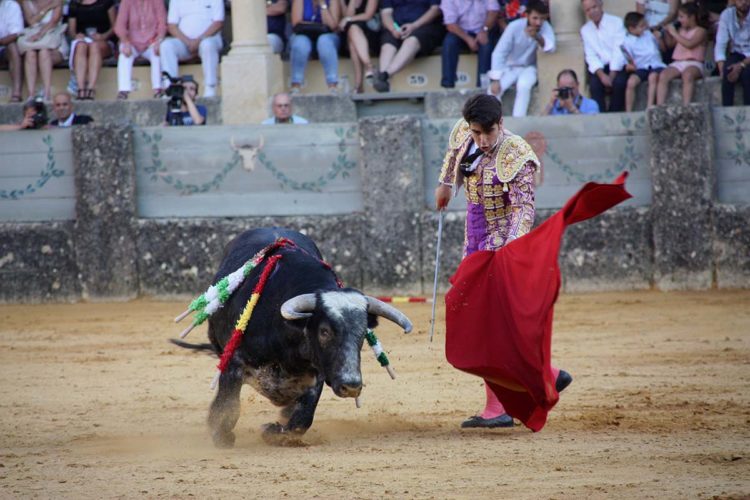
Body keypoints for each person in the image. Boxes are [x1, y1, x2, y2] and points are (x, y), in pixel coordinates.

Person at [434, 94, 571, 428]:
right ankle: (543, 377)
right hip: (474, 237)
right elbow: (450, 173)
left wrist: (510, 250)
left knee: (493, 324)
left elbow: (523, 208)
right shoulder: (464, 134)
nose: (481, 140)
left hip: (500, 243)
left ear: (502, 124)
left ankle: (515, 395)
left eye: (488, 133)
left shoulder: (518, 154)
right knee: (477, 320)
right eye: (476, 132)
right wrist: (445, 186)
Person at [487, 0, 555, 117]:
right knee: (492, 91)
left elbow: (551, 47)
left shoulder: (545, 27)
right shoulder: (514, 27)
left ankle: (518, 122)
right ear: (527, 15)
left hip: (530, 68)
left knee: (524, 85)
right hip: (509, 67)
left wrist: (537, 37)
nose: (538, 22)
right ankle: (494, 124)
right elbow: (499, 52)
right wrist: (496, 79)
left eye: (542, 19)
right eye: (535, 18)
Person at [372, 0, 445, 92]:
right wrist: (393, 29)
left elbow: (435, 10)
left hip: (425, 26)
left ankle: (385, 75)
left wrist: (414, 25)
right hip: (397, 28)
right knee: (387, 45)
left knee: (411, 41)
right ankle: (382, 82)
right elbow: (386, 13)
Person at [160, 0, 224, 98]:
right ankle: (170, 88)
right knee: (166, 46)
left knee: (207, 45)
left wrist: (199, 40)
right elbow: (172, 26)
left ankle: (210, 88)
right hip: (185, 42)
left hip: (209, 39)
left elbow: (218, 23)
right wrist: (187, 42)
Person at [580, 0, 628, 112]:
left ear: (601, 4)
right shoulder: (585, 30)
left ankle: (614, 114)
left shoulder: (616, 22)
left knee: (619, 83)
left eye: (594, 7)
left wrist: (611, 75)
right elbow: (590, 56)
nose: (592, 12)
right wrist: (602, 75)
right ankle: (599, 116)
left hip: (618, 66)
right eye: (588, 10)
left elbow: (619, 51)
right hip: (600, 68)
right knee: (594, 85)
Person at [656, 2, 708, 106]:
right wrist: (666, 33)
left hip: (694, 63)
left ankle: (686, 106)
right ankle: (659, 106)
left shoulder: (701, 31)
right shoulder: (681, 30)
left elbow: (689, 44)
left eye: (682, 17)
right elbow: (670, 44)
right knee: (663, 75)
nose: (679, 20)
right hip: (678, 62)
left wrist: (674, 33)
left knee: (687, 75)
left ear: (692, 17)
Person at [612, 11, 665, 111]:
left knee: (653, 77)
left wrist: (659, 39)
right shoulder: (627, 42)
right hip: (641, 67)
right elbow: (628, 60)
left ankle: (649, 107)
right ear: (631, 29)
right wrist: (631, 66)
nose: (644, 28)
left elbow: (662, 49)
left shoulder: (649, 35)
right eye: (641, 26)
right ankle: (629, 111)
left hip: (655, 65)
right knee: (631, 82)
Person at [114, 0, 167, 100]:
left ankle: (158, 90)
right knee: (124, 54)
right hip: (132, 43)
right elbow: (119, 26)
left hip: (152, 42)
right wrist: (125, 41)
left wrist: (159, 40)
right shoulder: (126, 2)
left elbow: (162, 24)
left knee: (158, 54)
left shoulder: (157, 1)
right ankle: (123, 91)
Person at [439, 0, 499, 89]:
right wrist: (468, 39)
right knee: (449, 43)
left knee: (486, 46)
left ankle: (483, 86)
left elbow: (493, 11)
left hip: (483, 29)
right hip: (460, 31)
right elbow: (450, 24)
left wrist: (484, 30)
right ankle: (447, 85)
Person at [19, 0, 70, 102]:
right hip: (33, 36)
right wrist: (48, 8)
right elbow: (31, 22)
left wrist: (40, 34)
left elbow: (54, 21)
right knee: (30, 54)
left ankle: (47, 93)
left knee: (44, 52)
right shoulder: (26, 2)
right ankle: (31, 95)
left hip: (52, 36)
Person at [67, 0, 116, 101]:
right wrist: (77, 36)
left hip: (103, 40)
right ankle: (81, 89)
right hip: (84, 41)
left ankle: (91, 88)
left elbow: (114, 26)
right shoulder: (74, 4)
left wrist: (103, 36)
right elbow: (71, 31)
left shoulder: (106, 2)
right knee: (80, 46)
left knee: (95, 46)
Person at [289, 0, 341, 94]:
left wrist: (322, 5)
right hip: (304, 34)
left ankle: (332, 86)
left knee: (324, 42)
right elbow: (296, 23)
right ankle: (295, 86)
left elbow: (333, 25)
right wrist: (319, 26)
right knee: (300, 43)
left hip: (327, 36)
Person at [339, 0, 380, 93]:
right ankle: (369, 67)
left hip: (371, 31)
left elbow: (368, 15)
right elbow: (347, 15)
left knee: (352, 34)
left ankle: (358, 85)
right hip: (353, 34)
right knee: (352, 35)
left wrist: (349, 19)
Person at [715, 0, 750, 106]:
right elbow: (721, 43)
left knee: (747, 75)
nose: (743, 2)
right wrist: (722, 69)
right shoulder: (727, 15)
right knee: (727, 71)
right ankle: (726, 112)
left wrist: (741, 65)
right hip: (737, 52)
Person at [0, 0, 25, 103]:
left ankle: (16, 93)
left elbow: (15, 33)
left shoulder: (11, 6)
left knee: (12, 47)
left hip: (3, 47)